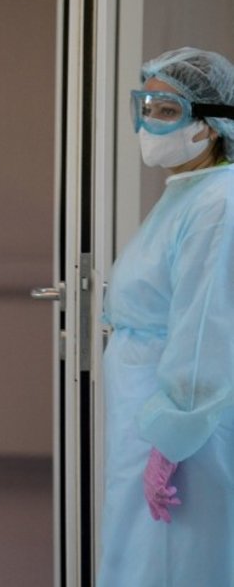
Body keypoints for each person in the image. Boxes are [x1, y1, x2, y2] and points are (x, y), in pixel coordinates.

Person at [98, 46, 234, 586]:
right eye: (146, 106)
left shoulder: (218, 205)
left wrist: (173, 440)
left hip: (182, 434)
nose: (150, 122)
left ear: (212, 125)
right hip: (150, 419)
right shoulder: (189, 192)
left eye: (167, 110)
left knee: (172, 563)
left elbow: (205, 331)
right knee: (141, 558)